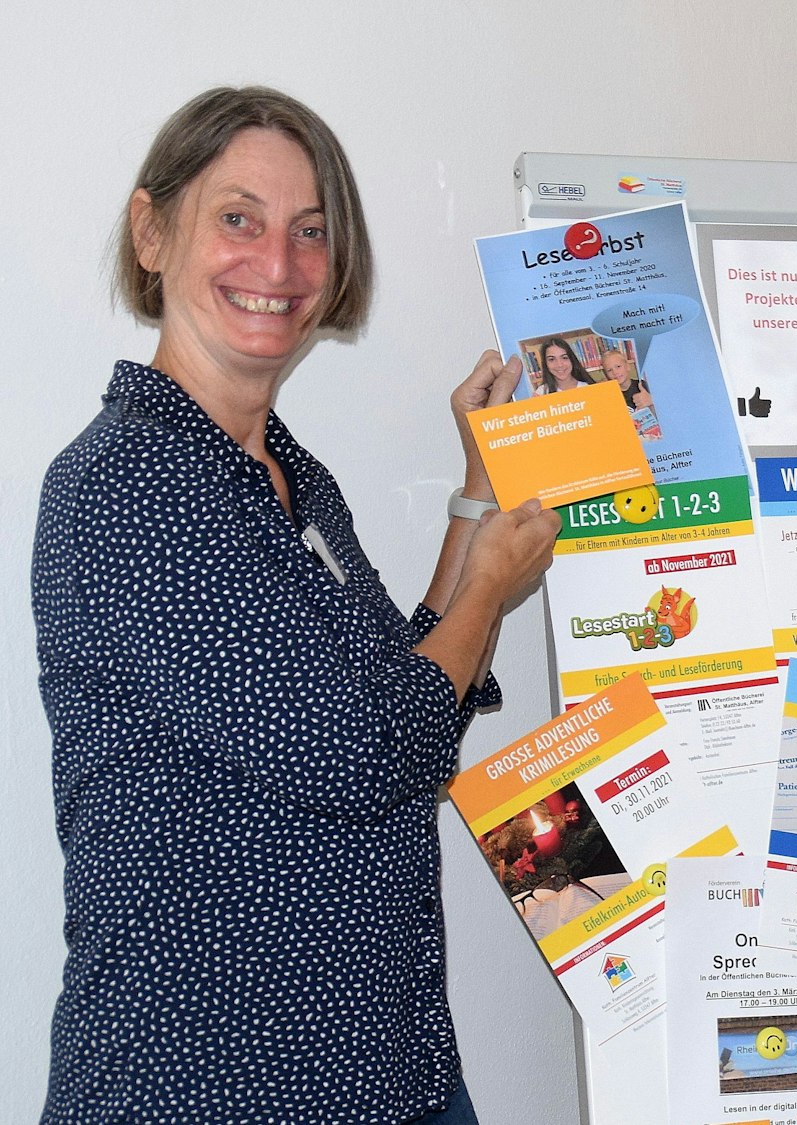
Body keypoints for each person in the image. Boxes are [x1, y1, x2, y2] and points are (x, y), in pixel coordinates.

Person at [32, 87, 561, 1124]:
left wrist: (475, 494)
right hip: (213, 1079)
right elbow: (363, 752)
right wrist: (491, 585)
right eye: (239, 219)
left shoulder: (291, 477)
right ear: (152, 233)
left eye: (310, 231)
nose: (277, 265)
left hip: (382, 1058)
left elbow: (408, 700)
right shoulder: (131, 484)